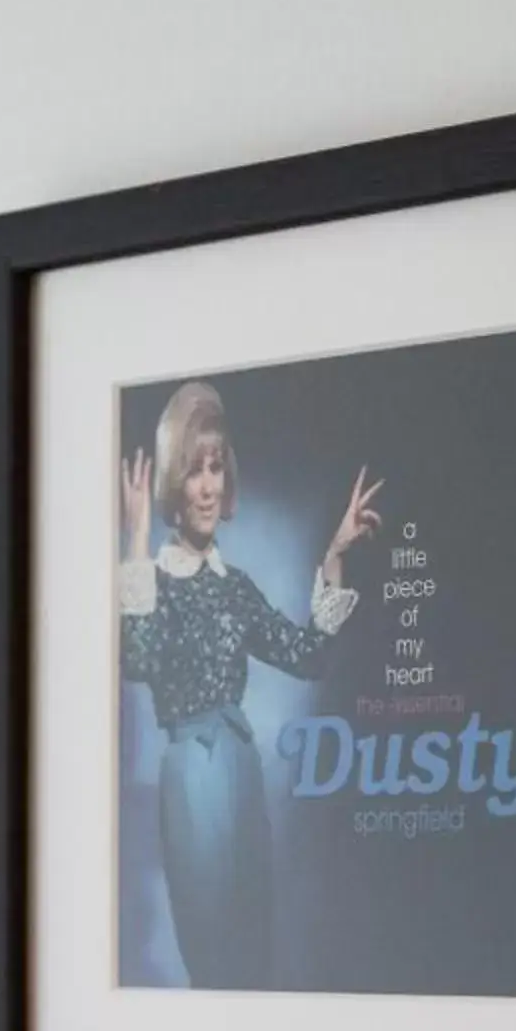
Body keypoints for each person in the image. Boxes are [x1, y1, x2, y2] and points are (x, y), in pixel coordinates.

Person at [118, 380, 382, 988]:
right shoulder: (155, 579)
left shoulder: (234, 585)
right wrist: (135, 544)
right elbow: (137, 656)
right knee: (210, 950)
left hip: (242, 769)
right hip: (193, 776)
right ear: (172, 487)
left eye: (215, 467)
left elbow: (306, 654)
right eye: (193, 471)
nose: (208, 486)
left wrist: (336, 552)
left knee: (253, 950)